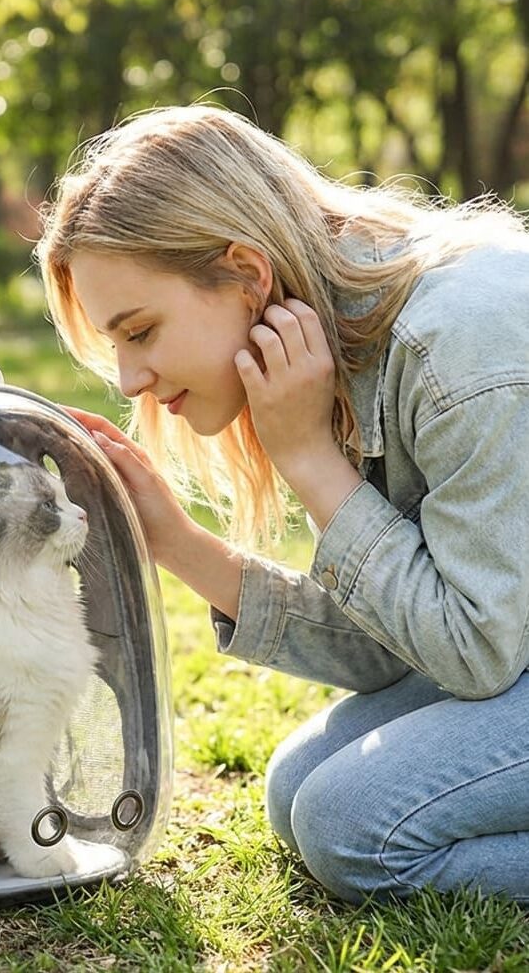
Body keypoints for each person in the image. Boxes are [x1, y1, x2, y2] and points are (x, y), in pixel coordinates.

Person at [33, 103, 529, 904]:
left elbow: (474, 652)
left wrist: (306, 457)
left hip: (503, 652)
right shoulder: (350, 349)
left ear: (247, 273)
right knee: (296, 787)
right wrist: (176, 541)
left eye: (142, 331)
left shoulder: (456, 350)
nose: (128, 379)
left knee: (351, 825)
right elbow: (397, 645)